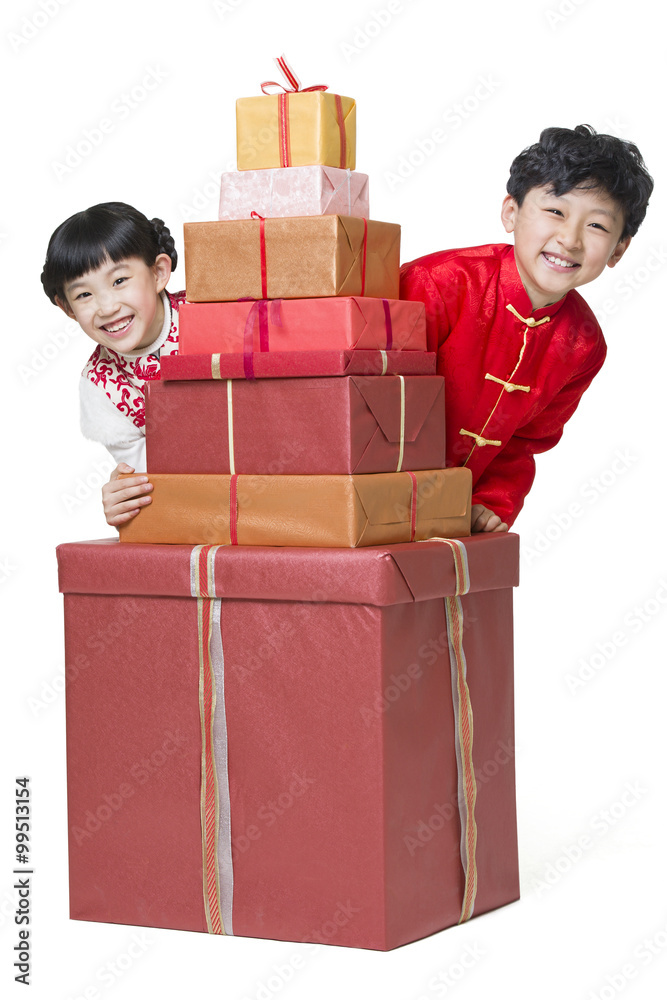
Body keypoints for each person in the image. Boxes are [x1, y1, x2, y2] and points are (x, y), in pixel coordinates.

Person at [400, 125, 653, 533]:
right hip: (368, 486)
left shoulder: (584, 345)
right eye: (555, 211)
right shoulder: (440, 283)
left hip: (453, 516)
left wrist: (492, 500)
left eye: (598, 227)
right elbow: (365, 394)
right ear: (511, 212)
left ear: (618, 250)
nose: (569, 239)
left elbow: (526, 441)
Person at [41, 202, 185, 527]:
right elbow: (160, 488)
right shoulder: (101, 388)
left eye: (119, 281)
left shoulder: (214, 313)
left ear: (158, 272)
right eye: (83, 295)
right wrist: (126, 498)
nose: (107, 307)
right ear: (66, 308)